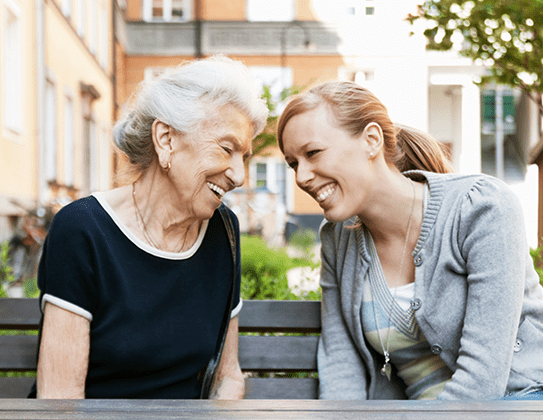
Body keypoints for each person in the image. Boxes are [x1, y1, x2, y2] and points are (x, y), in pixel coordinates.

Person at [277, 80, 543, 400]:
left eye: (313, 153)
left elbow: (482, 380)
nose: (302, 177)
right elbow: (341, 360)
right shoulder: (337, 239)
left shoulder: (481, 208)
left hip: (520, 401)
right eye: (293, 164)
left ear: (371, 140)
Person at [31, 56, 268, 399]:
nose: (239, 174)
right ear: (166, 140)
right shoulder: (83, 230)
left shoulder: (223, 230)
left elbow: (227, 377)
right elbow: (60, 399)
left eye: (243, 156)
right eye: (227, 148)